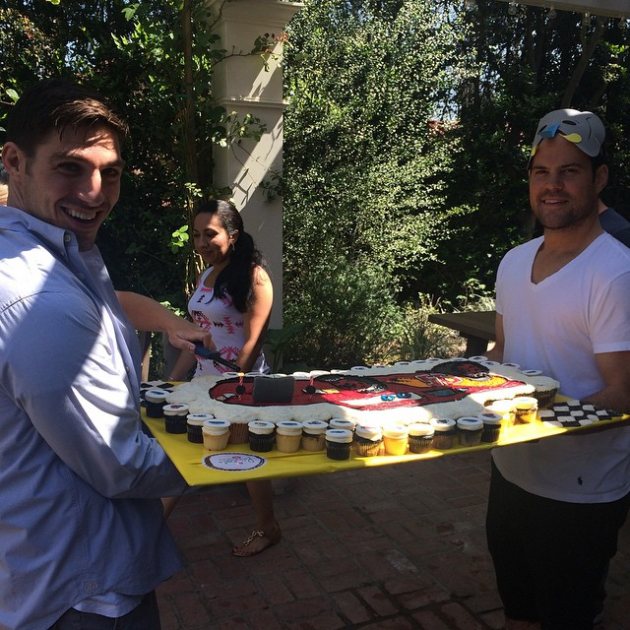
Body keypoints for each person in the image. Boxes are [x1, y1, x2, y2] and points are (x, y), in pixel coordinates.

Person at [0, 78, 211, 629]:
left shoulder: (44, 256)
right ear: (14, 161)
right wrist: (243, 447)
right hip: (81, 588)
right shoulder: (36, 297)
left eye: (109, 172)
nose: (95, 192)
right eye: (70, 167)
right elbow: (120, 464)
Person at [486, 108, 630, 629]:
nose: (553, 185)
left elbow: (622, 394)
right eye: (541, 172)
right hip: (511, 472)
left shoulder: (616, 272)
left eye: (569, 171)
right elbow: (503, 356)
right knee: (518, 612)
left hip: (581, 490)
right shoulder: (512, 261)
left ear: (599, 179)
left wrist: (527, 417)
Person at [169, 199, 281, 557]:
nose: (202, 243)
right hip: (203, 381)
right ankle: (149, 530)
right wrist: (172, 382)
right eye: (197, 235)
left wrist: (230, 390)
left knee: (250, 459)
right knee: (180, 452)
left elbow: (251, 342)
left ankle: (268, 526)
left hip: (238, 387)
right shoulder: (206, 275)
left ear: (233, 235)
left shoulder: (254, 277)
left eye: (211, 234)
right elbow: (197, 334)